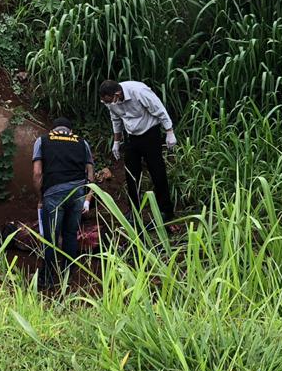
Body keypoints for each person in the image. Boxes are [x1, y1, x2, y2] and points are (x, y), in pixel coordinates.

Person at [31, 116, 94, 294]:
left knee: (50, 238)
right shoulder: (83, 143)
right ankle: (68, 277)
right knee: (70, 235)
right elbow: (90, 175)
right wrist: (87, 199)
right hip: (77, 193)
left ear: (53, 130)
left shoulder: (42, 141)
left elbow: (37, 173)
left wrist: (40, 198)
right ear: (70, 131)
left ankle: (48, 279)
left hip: (53, 193)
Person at [99, 79, 176, 222]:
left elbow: (159, 110)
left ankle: (166, 210)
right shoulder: (110, 102)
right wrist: (116, 142)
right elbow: (115, 120)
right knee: (131, 174)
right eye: (106, 102)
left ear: (117, 93)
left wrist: (169, 131)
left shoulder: (139, 91)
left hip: (150, 133)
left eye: (110, 101)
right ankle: (134, 211)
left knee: (157, 171)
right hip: (132, 137)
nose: (109, 104)